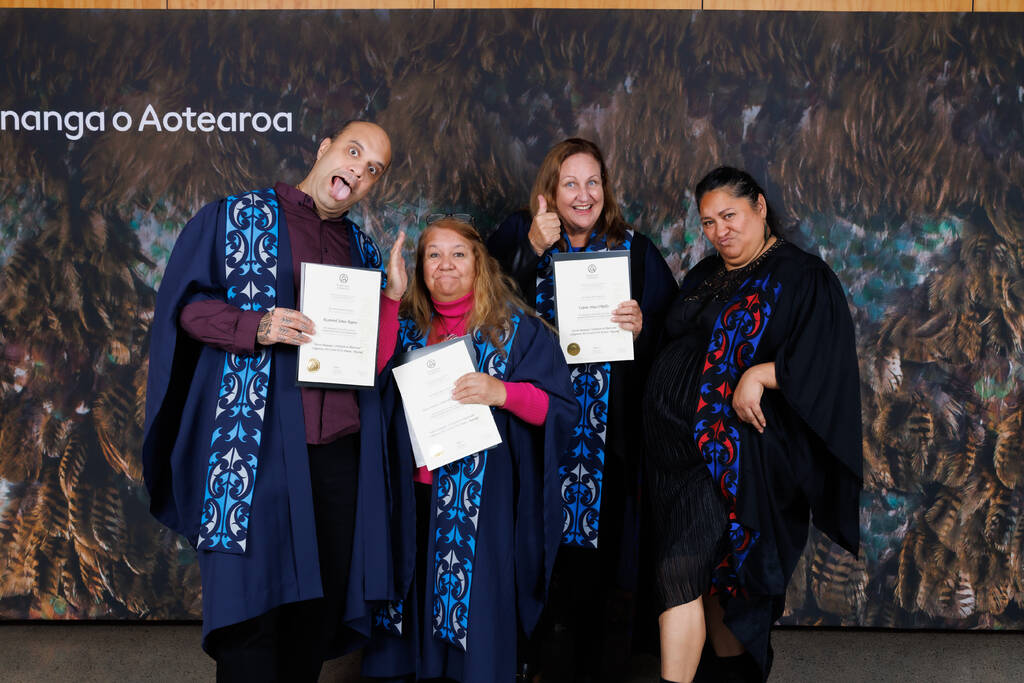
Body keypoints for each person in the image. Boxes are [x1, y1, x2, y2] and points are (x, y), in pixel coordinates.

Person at [142, 121, 398, 681]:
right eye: (354, 152)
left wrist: (394, 299)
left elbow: (371, 361)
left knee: (311, 620)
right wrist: (255, 325)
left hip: (335, 458)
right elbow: (183, 309)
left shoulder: (364, 250)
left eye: (373, 168)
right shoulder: (236, 218)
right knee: (251, 621)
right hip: (250, 446)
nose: (359, 170)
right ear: (323, 145)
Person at [643, 166, 863, 682]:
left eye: (730, 216)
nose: (721, 231)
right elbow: (674, 339)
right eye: (709, 222)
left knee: (680, 571)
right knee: (713, 576)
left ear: (760, 207)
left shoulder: (801, 275)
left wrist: (762, 374)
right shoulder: (705, 274)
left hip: (730, 454)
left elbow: (827, 358)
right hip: (673, 454)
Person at [487, 138, 678, 681]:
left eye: (592, 181)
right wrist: (528, 247)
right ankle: (534, 661)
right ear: (550, 190)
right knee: (535, 550)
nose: (583, 193)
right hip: (532, 430)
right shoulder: (516, 234)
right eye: (569, 182)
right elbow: (478, 307)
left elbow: (674, 330)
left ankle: (595, 665)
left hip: (606, 437)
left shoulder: (634, 251)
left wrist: (645, 330)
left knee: (599, 564)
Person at [361, 217, 576, 683]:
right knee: (409, 608)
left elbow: (559, 411)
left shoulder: (514, 331)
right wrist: (390, 298)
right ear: (420, 268)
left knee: (476, 622)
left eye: (459, 253)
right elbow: (365, 383)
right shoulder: (403, 329)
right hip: (411, 500)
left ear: (480, 263)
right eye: (433, 255)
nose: (445, 265)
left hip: (482, 508)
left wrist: (503, 392)